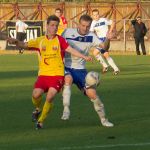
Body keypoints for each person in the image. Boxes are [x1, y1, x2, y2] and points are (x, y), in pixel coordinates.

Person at [7, 15, 92, 129]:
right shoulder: (40, 40)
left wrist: (84, 57)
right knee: (35, 94)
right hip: (43, 75)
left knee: (50, 96)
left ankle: (41, 121)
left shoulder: (60, 40)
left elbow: (70, 50)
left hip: (57, 75)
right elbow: (24, 45)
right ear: (47, 26)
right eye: (52, 25)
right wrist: (16, 41)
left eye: (56, 26)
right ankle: (38, 108)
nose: (54, 28)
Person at [61, 14, 114, 127]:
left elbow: (104, 47)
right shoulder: (67, 32)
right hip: (66, 67)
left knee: (93, 95)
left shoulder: (91, 36)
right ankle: (66, 109)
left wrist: (108, 39)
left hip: (81, 70)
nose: (85, 28)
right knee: (68, 80)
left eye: (87, 26)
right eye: (83, 25)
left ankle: (104, 120)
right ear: (78, 24)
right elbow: (59, 45)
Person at [90, 9, 119, 75]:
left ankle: (105, 66)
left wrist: (110, 31)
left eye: (97, 14)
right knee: (105, 55)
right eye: (94, 15)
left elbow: (113, 22)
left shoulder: (103, 20)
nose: (96, 16)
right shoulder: (92, 23)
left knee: (95, 52)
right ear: (92, 16)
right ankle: (115, 69)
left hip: (105, 39)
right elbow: (91, 32)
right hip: (99, 40)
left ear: (99, 14)